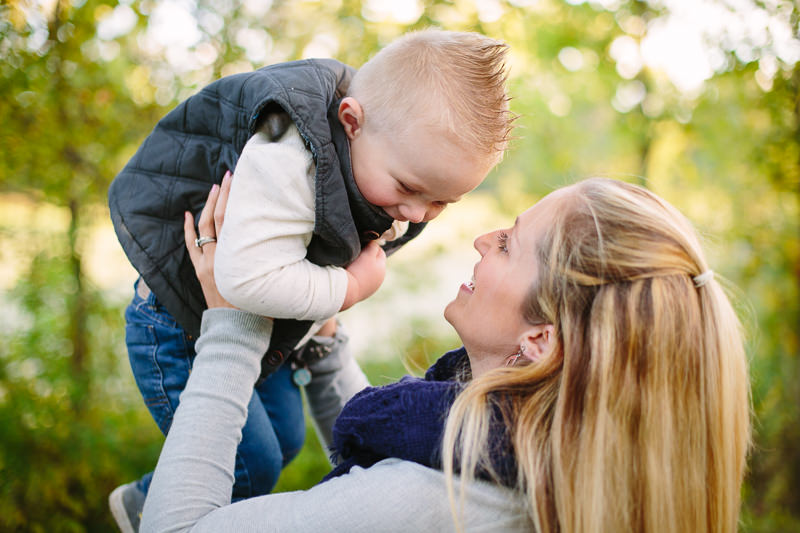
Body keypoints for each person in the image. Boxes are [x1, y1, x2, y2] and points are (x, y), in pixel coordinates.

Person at [139, 177, 751, 533]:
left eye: (509, 244)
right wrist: (323, 342)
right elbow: (418, 445)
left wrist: (233, 326)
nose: (484, 238)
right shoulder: (558, 465)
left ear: (539, 340)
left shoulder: (428, 504)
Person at [107, 27, 513, 524]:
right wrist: (347, 288)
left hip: (263, 322)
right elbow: (241, 280)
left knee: (285, 436)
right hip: (176, 318)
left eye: (441, 201)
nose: (416, 212)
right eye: (408, 187)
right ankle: (147, 503)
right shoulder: (288, 152)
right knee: (252, 462)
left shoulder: (384, 157)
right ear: (352, 122)